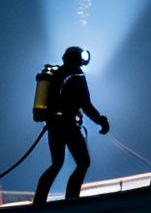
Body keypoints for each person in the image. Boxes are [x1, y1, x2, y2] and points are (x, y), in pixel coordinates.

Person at [32, 45, 109, 204]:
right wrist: (101, 120)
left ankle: (39, 202)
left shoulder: (57, 75)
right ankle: (72, 200)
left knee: (56, 164)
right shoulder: (77, 76)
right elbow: (86, 105)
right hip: (68, 125)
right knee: (83, 163)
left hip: (53, 125)